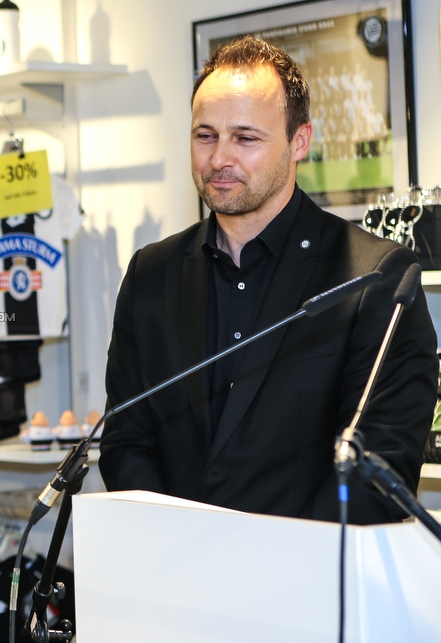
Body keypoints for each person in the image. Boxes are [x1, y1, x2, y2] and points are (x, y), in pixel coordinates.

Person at [98, 37, 437, 525]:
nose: (219, 159)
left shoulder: (375, 277)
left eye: (246, 138)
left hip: (308, 580)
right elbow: (125, 439)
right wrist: (181, 538)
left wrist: (267, 561)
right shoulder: (151, 273)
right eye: (205, 136)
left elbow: (379, 463)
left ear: (300, 141)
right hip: (174, 574)